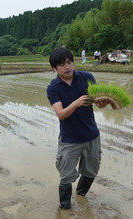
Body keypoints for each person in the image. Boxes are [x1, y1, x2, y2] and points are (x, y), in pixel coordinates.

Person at [46, 47, 109, 210]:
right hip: (70, 138)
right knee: (66, 175)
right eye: (62, 65)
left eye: (69, 62)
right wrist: (76, 103)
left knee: (91, 170)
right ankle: (65, 207)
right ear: (54, 68)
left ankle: (81, 194)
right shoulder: (53, 87)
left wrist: (102, 103)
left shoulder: (87, 78)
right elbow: (60, 113)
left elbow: (98, 103)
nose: (67, 67)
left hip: (91, 135)